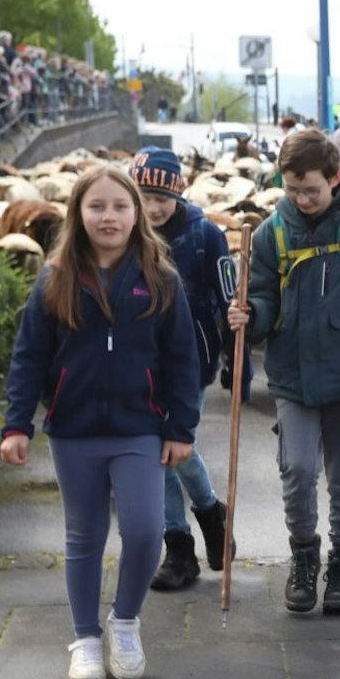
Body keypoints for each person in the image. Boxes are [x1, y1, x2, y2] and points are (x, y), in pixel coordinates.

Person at [0, 166, 201, 679]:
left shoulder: (161, 278)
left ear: (137, 213)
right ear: (78, 214)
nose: (108, 216)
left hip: (140, 429)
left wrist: (181, 427)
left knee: (144, 530)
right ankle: (86, 638)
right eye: (96, 207)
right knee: (84, 536)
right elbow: (29, 356)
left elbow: (182, 359)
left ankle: (125, 622)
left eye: (119, 206)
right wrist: (16, 424)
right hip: (74, 429)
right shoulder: (55, 276)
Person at [225, 129, 340, 615]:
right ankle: (304, 557)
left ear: (335, 179)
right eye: (293, 190)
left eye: (313, 191)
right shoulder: (269, 234)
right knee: (297, 469)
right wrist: (249, 315)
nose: (302, 200)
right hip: (293, 377)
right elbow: (263, 299)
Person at [129, 148, 235, 591]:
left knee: (178, 447)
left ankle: (210, 512)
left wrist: (237, 364)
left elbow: (230, 299)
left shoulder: (204, 235)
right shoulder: (124, 234)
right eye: (145, 195)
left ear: (178, 193)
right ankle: (179, 549)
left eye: (162, 197)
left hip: (192, 360)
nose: (154, 207)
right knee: (159, 454)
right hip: (137, 360)